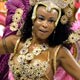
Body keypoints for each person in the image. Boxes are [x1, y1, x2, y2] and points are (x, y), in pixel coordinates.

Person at [0, 0, 80, 80]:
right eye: (41, 19)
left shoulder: (58, 52)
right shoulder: (15, 42)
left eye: (51, 21)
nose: (45, 25)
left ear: (56, 25)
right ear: (33, 19)